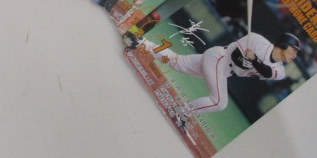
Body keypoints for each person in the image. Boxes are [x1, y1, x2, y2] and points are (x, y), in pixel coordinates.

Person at [125, 31, 301, 114]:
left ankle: (139, 42)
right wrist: (251, 59)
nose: (295, 55)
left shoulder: (280, 71)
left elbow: (267, 73)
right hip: (220, 58)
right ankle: (180, 112)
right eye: (294, 50)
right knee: (219, 102)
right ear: (284, 44)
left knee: (177, 62)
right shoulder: (257, 40)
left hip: (224, 70)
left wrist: (254, 60)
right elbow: (235, 55)